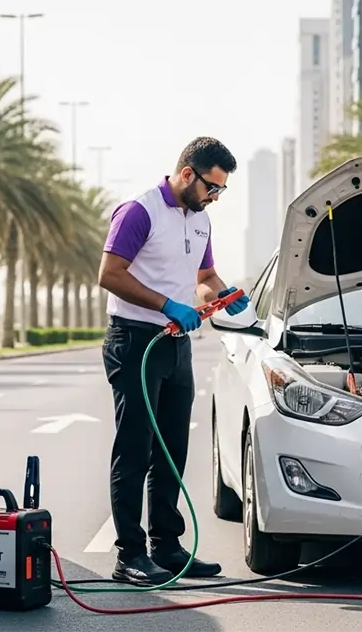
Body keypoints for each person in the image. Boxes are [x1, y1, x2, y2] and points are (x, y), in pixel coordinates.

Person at [97, 137, 251, 585]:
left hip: (177, 345)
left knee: (171, 450)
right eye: (212, 187)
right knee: (135, 449)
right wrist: (166, 305)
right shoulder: (140, 211)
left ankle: (165, 547)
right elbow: (109, 274)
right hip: (135, 340)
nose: (215, 197)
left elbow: (205, 277)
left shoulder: (200, 220)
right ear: (187, 174)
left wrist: (220, 293)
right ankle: (129, 554)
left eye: (221, 190)